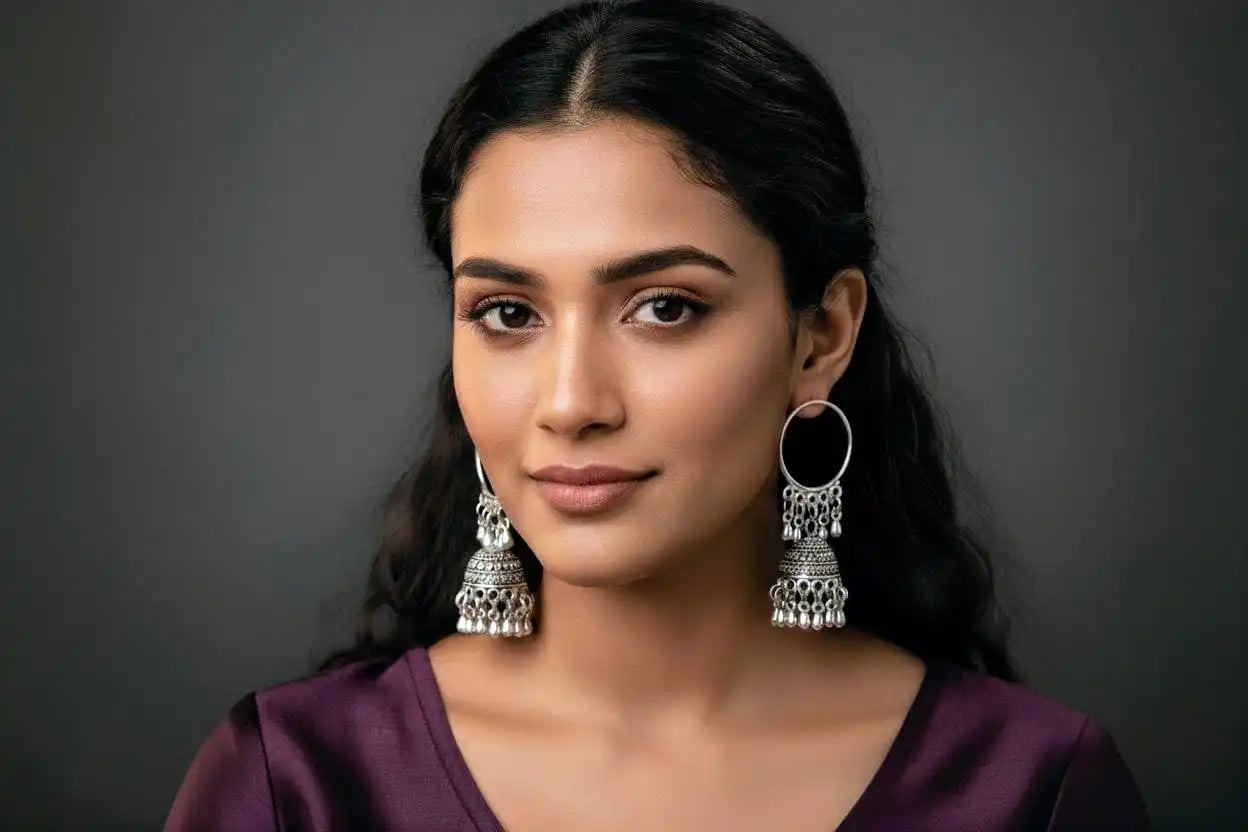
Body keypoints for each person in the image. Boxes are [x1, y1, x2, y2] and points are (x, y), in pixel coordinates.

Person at [163, 0, 1150, 828]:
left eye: (664, 307)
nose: (569, 402)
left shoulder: (1030, 789)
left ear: (822, 336)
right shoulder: (294, 783)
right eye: (508, 314)